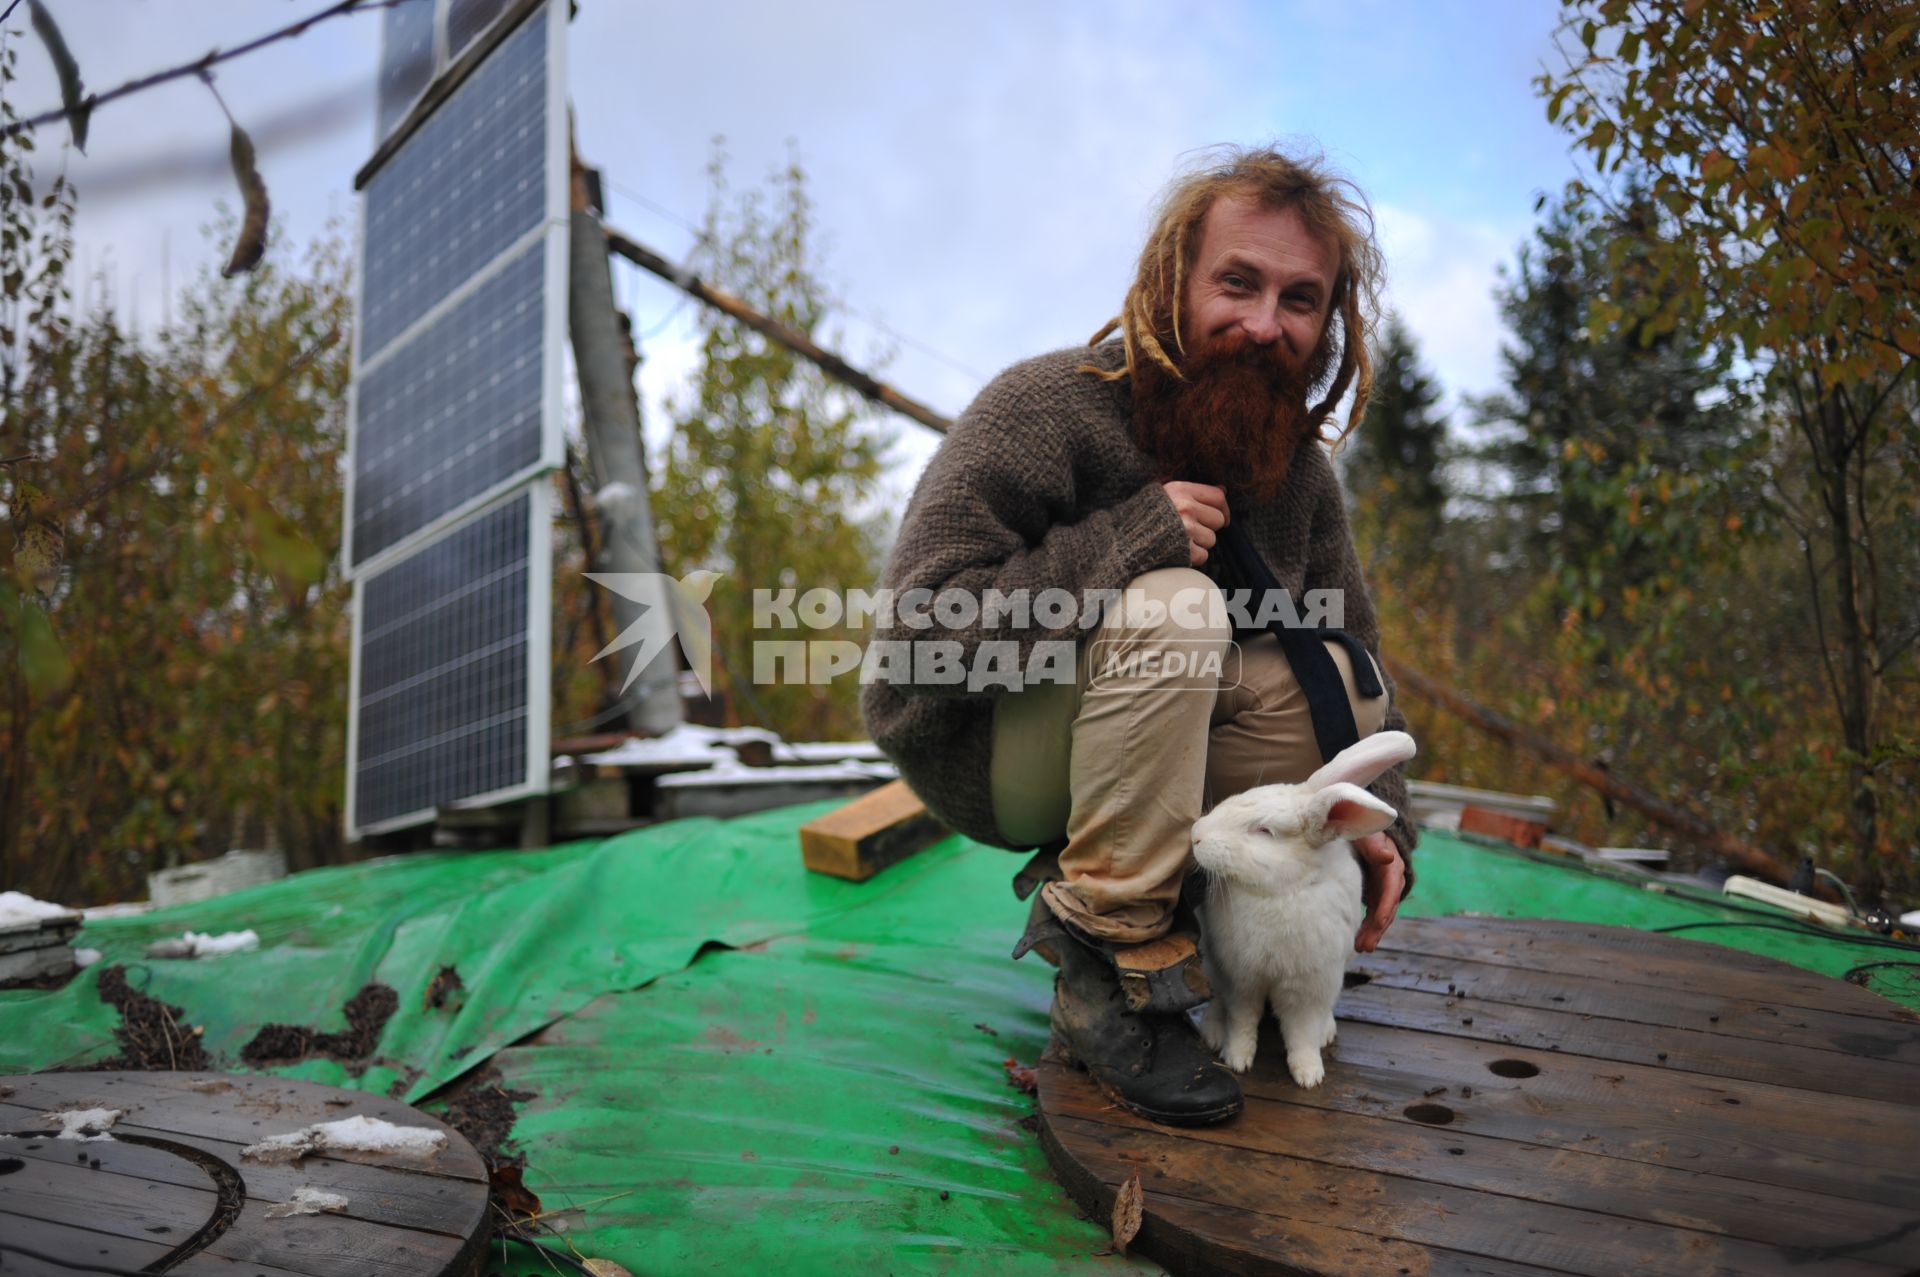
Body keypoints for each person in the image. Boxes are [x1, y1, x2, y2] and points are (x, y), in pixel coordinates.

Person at [859, 146, 1417, 1126]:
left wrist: (1387, 829)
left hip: (1158, 734)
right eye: (1237, 282)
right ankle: (1108, 962)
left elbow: (1356, 652)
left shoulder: (1297, 476)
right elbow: (910, 649)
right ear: (1172, 282)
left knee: (1345, 678)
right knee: (1176, 604)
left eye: (1299, 298)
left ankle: (1206, 910)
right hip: (993, 750)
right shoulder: (1045, 407)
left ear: (1328, 322)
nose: (1263, 323)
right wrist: (1130, 540)